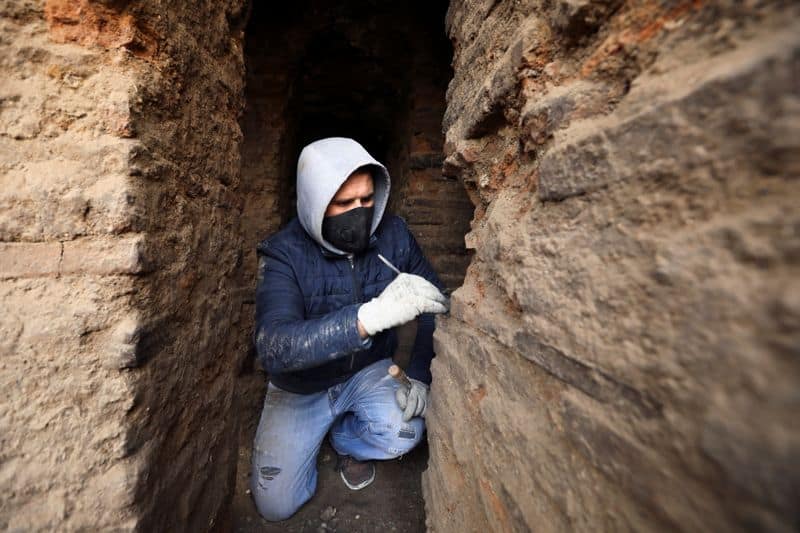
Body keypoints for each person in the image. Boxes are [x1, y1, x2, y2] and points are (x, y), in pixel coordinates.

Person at [250, 137, 449, 521]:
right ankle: (308, 434)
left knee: (404, 434)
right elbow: (274, 346)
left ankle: (345, 441)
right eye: (343, 204)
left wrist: (421, 375)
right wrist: (368, 318)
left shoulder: (393, 236)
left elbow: (432, 304)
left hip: (368, 370)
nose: (358, 213)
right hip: (301, 386)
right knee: (276, 506)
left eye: (366, 199)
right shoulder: (284, 254)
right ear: (314, 203)